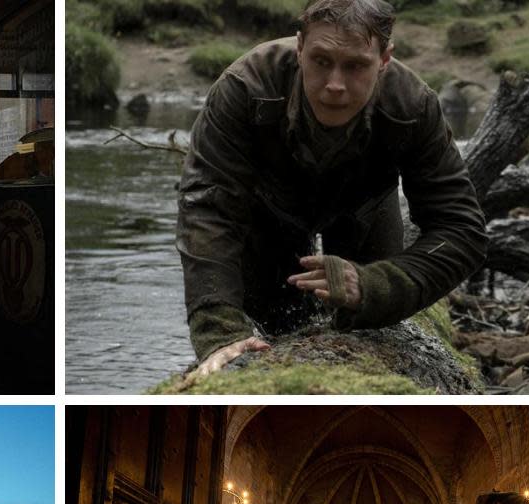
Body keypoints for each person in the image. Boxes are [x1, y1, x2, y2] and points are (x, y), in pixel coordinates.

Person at [177, 0, 488, 378]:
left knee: (375, 332)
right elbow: (209, 210)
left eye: (356, 65)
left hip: (366, 210)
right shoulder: (246, 88)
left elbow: (461, 231)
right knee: (275, 331)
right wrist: (220, 334)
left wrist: (372, 285)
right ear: (299, 48)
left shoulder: (412, 106)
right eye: (321, 61)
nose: (335, 85)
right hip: (267, 216)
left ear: (385, 59)